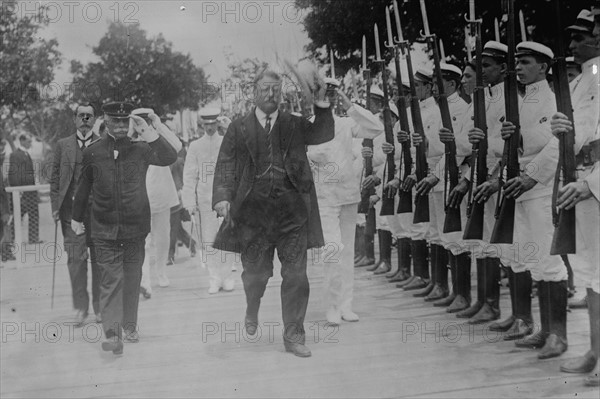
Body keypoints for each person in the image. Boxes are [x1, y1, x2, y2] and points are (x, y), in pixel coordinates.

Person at [212, 70, 334, 357]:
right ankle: (252, 306)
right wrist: (222, 198)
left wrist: (321, 104)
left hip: (293, 214)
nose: (271, 95)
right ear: (253, 92)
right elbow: (226, 164)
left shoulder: (293, 124)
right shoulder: (239, 127)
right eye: (265, 89)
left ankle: (293, 335)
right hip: (253, 216)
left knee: (296, 275)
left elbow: (323, 133)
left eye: (276, 90)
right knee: (255, 275)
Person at [71, 102, 178, 355]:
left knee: (132, 279)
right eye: (114, 121)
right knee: (110, 280)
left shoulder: (142, 150)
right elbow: (83, 188)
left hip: (134, 228)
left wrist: (149, 132)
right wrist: (76, 220)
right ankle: (112, 333)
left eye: (124, 121)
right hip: (103, 229)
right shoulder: (93, 152)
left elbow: (169, 156)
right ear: (105, 122)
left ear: (129, 123)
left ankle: (130, 326)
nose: (119, 126)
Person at [499, 42, 569, 357]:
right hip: (520, 188)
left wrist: (531, 176)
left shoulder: (554, 99)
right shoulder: (521, 102)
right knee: (534, 261)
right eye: (517, 63)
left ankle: (559, 335)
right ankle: (544, 329)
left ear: (543, 67)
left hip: (542, 189)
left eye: (526, 63)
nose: (520, 69)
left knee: (550, 261)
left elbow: (559, 143)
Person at [307, 78, 383, 325]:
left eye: (332, 93)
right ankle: (331, 306)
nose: (327, 98)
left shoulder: (346, 123)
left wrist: (351, 105)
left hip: (348, 196)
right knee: (333, 250)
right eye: (323, 94)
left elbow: (375, 128)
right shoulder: (308, 126)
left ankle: (345, 305)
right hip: (324, 198)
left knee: (347, 251)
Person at [553, 7, 600, 387]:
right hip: (583, 181)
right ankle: (597, 351)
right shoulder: (587, 78)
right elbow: (584, 133)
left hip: (595, 184)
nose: (574, 45)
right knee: (591, 274)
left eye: (581, 35)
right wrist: (562, 129)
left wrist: (592, 183)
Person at [49, 103, 102, 326]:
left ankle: (100, 308)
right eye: (81, 116)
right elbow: (54, 179)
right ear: (74, 119)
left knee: (100, 261)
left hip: (99, 213)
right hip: (71, 214)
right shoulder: (63, 145)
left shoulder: (104, 143)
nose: (85, 120)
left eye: (89, 116)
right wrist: (55, 205)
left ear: (94, 119)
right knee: (75, 262)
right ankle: (81, 308)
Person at [182, 107, 235, 294]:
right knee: (209, 240)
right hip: (205, 199)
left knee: (227, 238)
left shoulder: (226, 143)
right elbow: (189, 175)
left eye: (213, 124)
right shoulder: (196, 146)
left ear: (217, 124)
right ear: (202, 125)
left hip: (225, 199)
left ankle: (227, 276)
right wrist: (189, 200)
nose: (210, 128)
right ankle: (214, 278)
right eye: (207, 124)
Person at [136, 108, 182, 296]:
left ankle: (161, 271)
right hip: (140, 199)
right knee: (143, 242)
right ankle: (144, 281)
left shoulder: (157, 139)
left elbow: (177, 146)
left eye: (147, 120)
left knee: (163, 239)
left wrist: (158, 124)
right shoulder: (132, 140)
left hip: (161, 195)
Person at [7, 133, 41, 245]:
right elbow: (13, 174)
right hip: (22, 192)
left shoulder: (26, 154)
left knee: (34, 214)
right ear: (21, 141)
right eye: (28, 141)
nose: (30, 143)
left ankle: (33, 239)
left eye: (30, 141)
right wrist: (19, 190)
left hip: (30, 191)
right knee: (18, 215)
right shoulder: (15, 155)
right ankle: (11, 239)